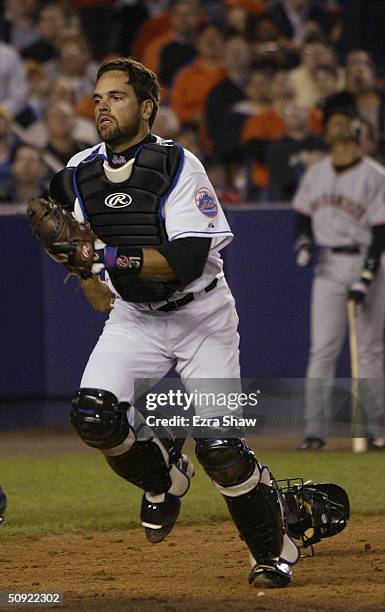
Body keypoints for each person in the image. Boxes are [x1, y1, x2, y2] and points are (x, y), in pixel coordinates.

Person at [48, 56, 300, 588]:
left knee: (222, 449)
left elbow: (184, 261)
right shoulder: (78, 170)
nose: (102, 107)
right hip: (134, 318)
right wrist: (87, 274)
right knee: (94, 416)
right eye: (97, 98)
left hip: (201, 315)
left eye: (116, 96)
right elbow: (48, 220)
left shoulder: (177, 165)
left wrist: (104, 261)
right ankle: (165, 471)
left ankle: (274, 551)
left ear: (147, 107)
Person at [293, 108, 385, 451]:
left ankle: (374, 431)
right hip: (329, 265)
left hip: (365, 259)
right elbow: (302, 216)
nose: (337, 127)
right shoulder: (316, 174)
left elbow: (380, 232)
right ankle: (314, 432)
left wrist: (367, 275)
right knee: (323, 349)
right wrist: (302, 242)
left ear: (357, 131)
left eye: (343, 122)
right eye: (332, 123)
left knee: (370, 350)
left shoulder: (374, 176)